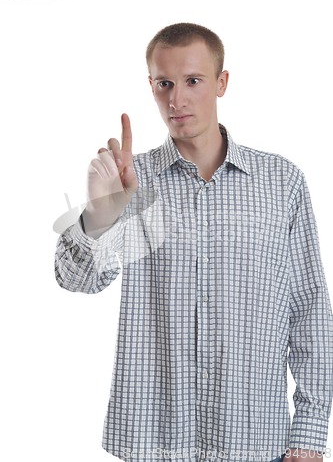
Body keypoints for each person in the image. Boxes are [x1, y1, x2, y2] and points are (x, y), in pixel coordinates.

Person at [55, 23, 333, 462]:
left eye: (192, 81)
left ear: (222, 82)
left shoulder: (282, 184)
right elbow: (78, 280)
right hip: (153, 440)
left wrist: (310, 433)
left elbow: (309, 312)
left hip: (255, 440)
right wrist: (100, 214)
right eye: (164, 83)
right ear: (151, 85)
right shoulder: (132, 181)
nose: (176, 100)